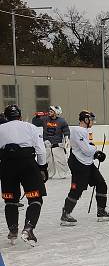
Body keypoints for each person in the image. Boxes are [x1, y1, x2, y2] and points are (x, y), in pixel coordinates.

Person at [0, 105, 47, 246]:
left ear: (6, 117)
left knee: (10, 200)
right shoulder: (30, 127)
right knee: (35, 198)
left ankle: (13, 230)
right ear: (20, 116)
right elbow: (41, 150)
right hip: (28, 165)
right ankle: (28, 229)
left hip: (7, 166)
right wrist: (42, 167)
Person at [60, 110, 109, 226]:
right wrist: (95, 151)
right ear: (85, 120)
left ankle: (101, 211)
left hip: (88, 163)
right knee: (76, 189)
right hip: (78, 164)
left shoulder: (85, 131)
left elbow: (87, 148)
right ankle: (66, 214)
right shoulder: (77, 131)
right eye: (91, 119)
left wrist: (95, 154)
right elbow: (86, 149)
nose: (93, 122)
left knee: (101, 184)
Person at [42, 105, 70, 179]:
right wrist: (36, 117)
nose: (49, 112)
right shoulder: (45, 119)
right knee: (48, 161)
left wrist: (67, 138)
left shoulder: (62, 121)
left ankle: (63, 173)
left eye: (51, 111)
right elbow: (36, 122)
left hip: (57, 145)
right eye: (49, 111)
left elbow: (66, 131)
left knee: (61, 160)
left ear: (56, 112)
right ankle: (49, 174)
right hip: (47, 144)